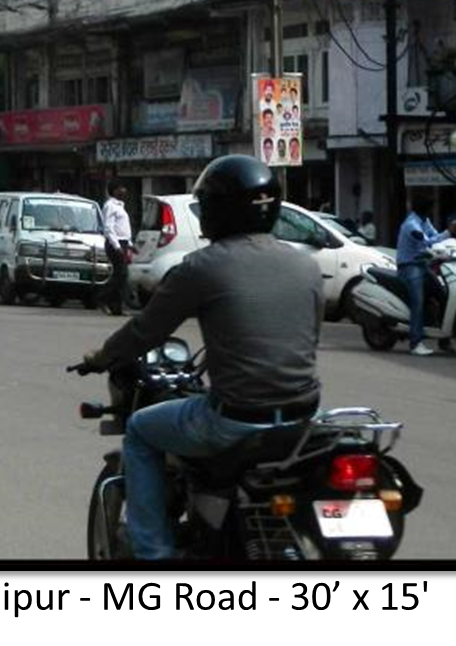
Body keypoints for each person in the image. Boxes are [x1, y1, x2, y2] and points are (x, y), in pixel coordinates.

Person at [81, 155, 323, 560]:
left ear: (218, 210)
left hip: (234, 420)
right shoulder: (306, 265)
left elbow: (145, 331)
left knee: (140, 429)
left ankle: (152, 553)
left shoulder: (202, 266)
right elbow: (305, 337)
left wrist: (100, 356)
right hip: (300, 420)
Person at [396, 193, 456, 356]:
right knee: (417, 302)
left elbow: (435, 237)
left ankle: (445, 340)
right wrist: (449, 231)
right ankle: (415, 343)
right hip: (409, 266)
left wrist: (450, 235)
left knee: (442, 294)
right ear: (425, 209)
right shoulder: (412, 225)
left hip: (422, 264)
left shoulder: (424, 221)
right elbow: (426, 241)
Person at [99, 182, 133, 316]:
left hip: (123, 242)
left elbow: (122, 228)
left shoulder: (120, 206)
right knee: (121, 274)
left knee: (121, 275)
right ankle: (102, 297)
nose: (124, 190)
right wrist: (117, 246)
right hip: (115, 244)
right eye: (121, 188)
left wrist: (129, 244)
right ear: (115, 190)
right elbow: (108, 228)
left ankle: (116, 308)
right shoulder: (110, 206)